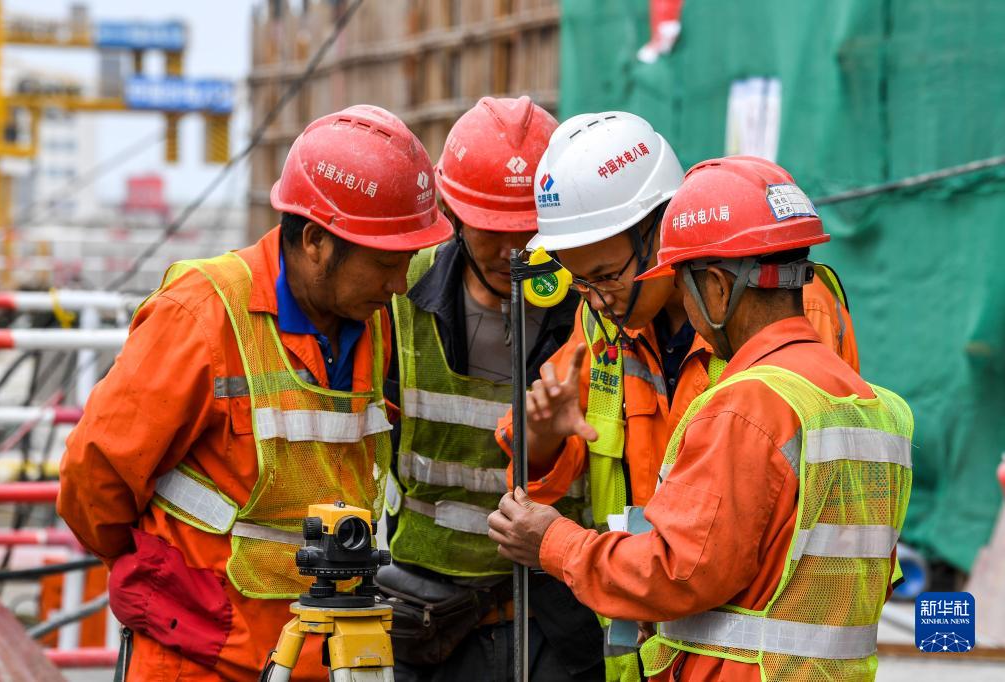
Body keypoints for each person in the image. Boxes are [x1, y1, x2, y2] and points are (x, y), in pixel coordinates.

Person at [57, 106, 452, 681]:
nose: (398, 286)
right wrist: (164, 583)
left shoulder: (372, 319)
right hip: (200, 657)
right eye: (386, 264)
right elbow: (95, 480)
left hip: (328, 655)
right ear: (316, 241)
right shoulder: (202, 314)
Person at [489, 156, 912, 682]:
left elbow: (677, 573)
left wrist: (554, 542)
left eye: (682, 284)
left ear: (715, 285)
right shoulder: (879, 409)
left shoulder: (747, 406)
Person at [379, 96, 603, 681]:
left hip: (562, 622)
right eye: (494, 229)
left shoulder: (600, 303)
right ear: (451, 209)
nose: (515, 251)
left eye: (532, 228)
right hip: (428, 625)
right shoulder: (399, 295)